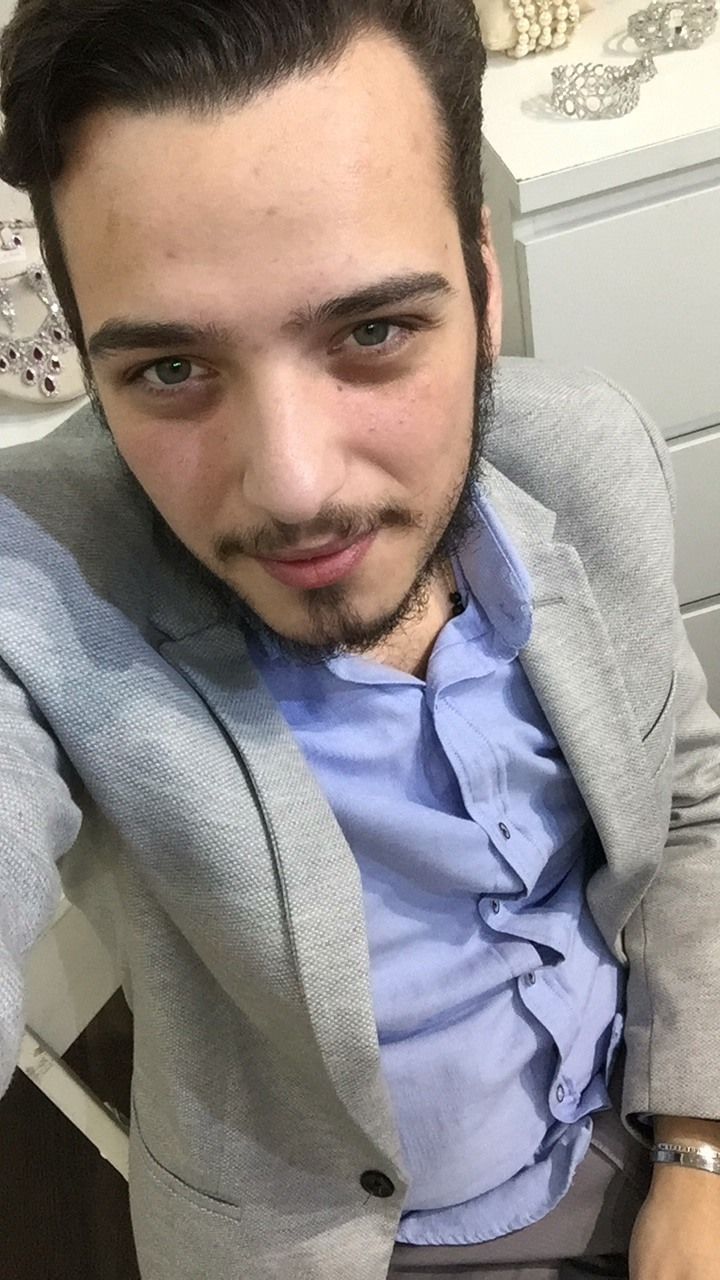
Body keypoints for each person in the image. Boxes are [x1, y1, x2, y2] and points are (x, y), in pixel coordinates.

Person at [0, 1, 718, 1277]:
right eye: (169, 369)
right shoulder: (44, 575)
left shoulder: (588, 457)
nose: (294, 486)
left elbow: (694, 807)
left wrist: (697, 1149)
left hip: (643, 1108)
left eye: (373, 331)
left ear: (484, 284)